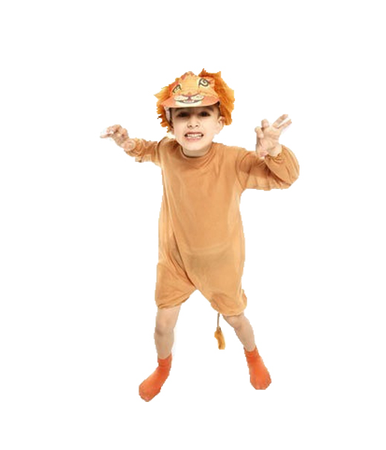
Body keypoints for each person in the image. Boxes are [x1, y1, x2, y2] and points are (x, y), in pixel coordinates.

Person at [100, 69, 299, 402]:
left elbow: (285, 178)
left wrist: (275, 149)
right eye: (183, 115)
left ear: (219, 123)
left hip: (220, 263)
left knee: (236, 319)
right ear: (170, 123)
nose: (193, 123)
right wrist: (127, 143)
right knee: (162, 324)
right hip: (175, 258)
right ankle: (163, 367)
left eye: (203, 114)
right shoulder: (167, 151)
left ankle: (253, 355)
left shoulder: (234, 160)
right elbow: (146, 149)